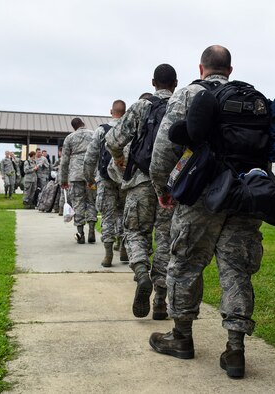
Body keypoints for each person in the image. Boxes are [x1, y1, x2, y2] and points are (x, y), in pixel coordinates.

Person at [148, 46, 267, 378]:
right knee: (236, 271)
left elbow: (162, 152)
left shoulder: (189, 94)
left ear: (201, 67)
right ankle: (235, 350)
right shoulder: (251, 98)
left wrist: (163, 190)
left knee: (186, 264)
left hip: (200, 196)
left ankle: (181, 337)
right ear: (229, 69)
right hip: (243, 195)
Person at [105, 64, 177, 320]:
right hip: (171, 187)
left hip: (140, 183)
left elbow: (113, 140)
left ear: (153, 82)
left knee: (135, 232)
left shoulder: (140, 107)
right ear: (175, 84)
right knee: (166, 241)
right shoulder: (181, 105)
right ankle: (160, 301)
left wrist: (119, 160)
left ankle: (141, 274)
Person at [84, 99, 128, 267]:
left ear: (111, 111)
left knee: (108, 217)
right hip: (125, 179)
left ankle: (108, 254)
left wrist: (89, 179)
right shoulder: (130, 129)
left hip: (106, 178)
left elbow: (90, 157)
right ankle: (123, 248)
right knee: (124, 214)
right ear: (125, 113)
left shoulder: (101, 130)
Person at [60, 118, 97, 244]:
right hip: (91, 173)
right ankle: (92, 229)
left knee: (78, 203)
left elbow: (64, 161)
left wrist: (63, 179)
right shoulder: (93, 134)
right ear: (83, 124)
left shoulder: (70, 138)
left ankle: (80, 233)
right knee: (91, 202)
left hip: (76, 175)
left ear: (74, 127)